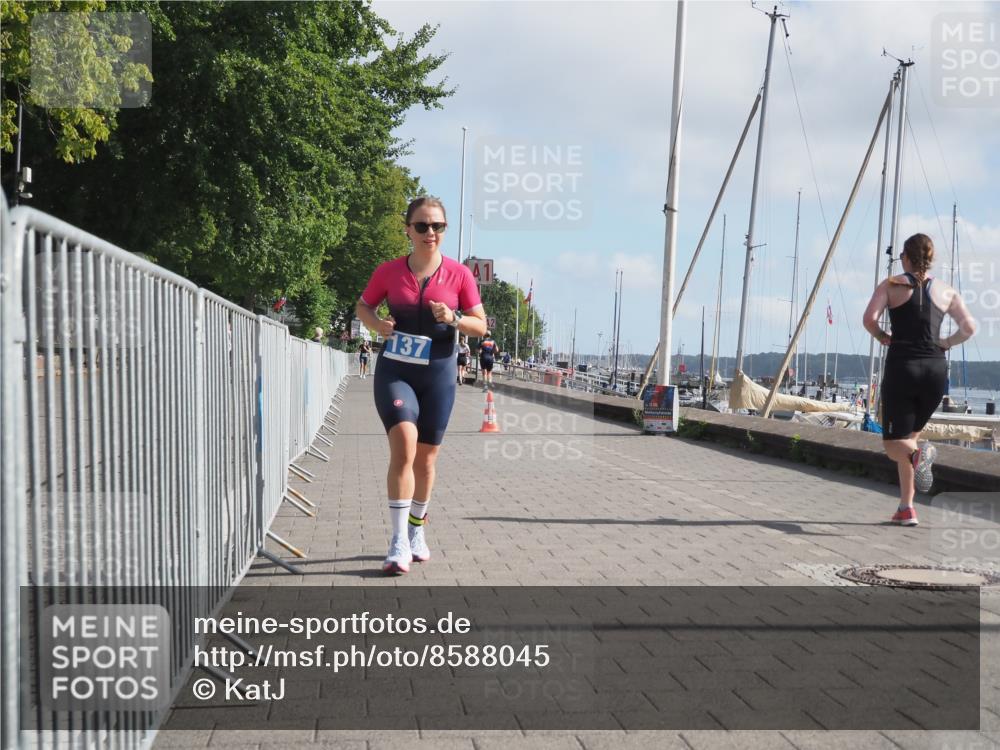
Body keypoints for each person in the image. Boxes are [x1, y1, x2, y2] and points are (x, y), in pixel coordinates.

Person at [355, 197, 488, 574]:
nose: (430, 232)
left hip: (439, 373)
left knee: (426, 460)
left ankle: (416, 530)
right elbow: (363, 306)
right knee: (404, 445)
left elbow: (480, 325)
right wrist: (377, 325)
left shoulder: (459, 275)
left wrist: (455, 318)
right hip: (396, 371)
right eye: (422, 226)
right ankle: (397, 541)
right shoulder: (389, 272)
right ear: (408, 230)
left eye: (438, 226)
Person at [862, 233, 977, 526]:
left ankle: (918, 457)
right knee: (909, 439)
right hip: (935, 371)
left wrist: (883, 336)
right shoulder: (947, 291)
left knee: (894, 446)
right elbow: (969, 327)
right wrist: (946, 343)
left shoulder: (891, 285)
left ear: (906, 258)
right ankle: (907, 507)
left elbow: (869, 319)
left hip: (903, 368)